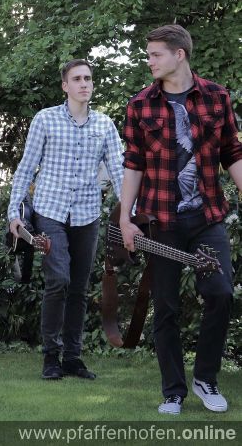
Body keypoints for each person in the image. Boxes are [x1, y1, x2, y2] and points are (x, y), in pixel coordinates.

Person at [119, 24, 242, 415]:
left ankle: (206, 379)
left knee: (220, 293)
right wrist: (125, 219)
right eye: (149, 55)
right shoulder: (140, 105)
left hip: (208, 217)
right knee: (166, 307)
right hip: (160, 221)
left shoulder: (217, 97)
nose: (150, 61)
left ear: (179, 54)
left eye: (156, 54)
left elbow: (233, 152)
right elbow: (133, 164)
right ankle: (173, 391)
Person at [8, 59, 123, 380]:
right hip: (51, 212)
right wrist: (14, 212)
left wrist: (130, 212)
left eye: (88, 78)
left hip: (87, 214)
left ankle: (73, 357)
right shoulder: (45, 119)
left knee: (80, 288)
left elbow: (119, 171)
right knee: (59, 280)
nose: (84, 83)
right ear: (65, 86)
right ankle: (50, 356)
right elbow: (26, 167)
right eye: (77, 79)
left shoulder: (105, 125)